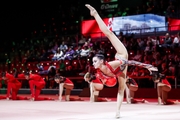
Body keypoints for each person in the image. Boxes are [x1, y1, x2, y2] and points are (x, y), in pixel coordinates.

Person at [85, 4, 158, 118]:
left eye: (95, 61)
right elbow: (100, 81)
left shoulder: (110, 64)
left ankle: (95, 14)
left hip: (122, 55)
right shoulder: (99, 71)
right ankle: (118, 111)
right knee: (121, 89)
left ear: (102, 61)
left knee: (108, 34)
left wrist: (147, 66)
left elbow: (128, 62)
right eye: (93, 62)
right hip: (119, 71)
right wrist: (89, 78)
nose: (93, 63)